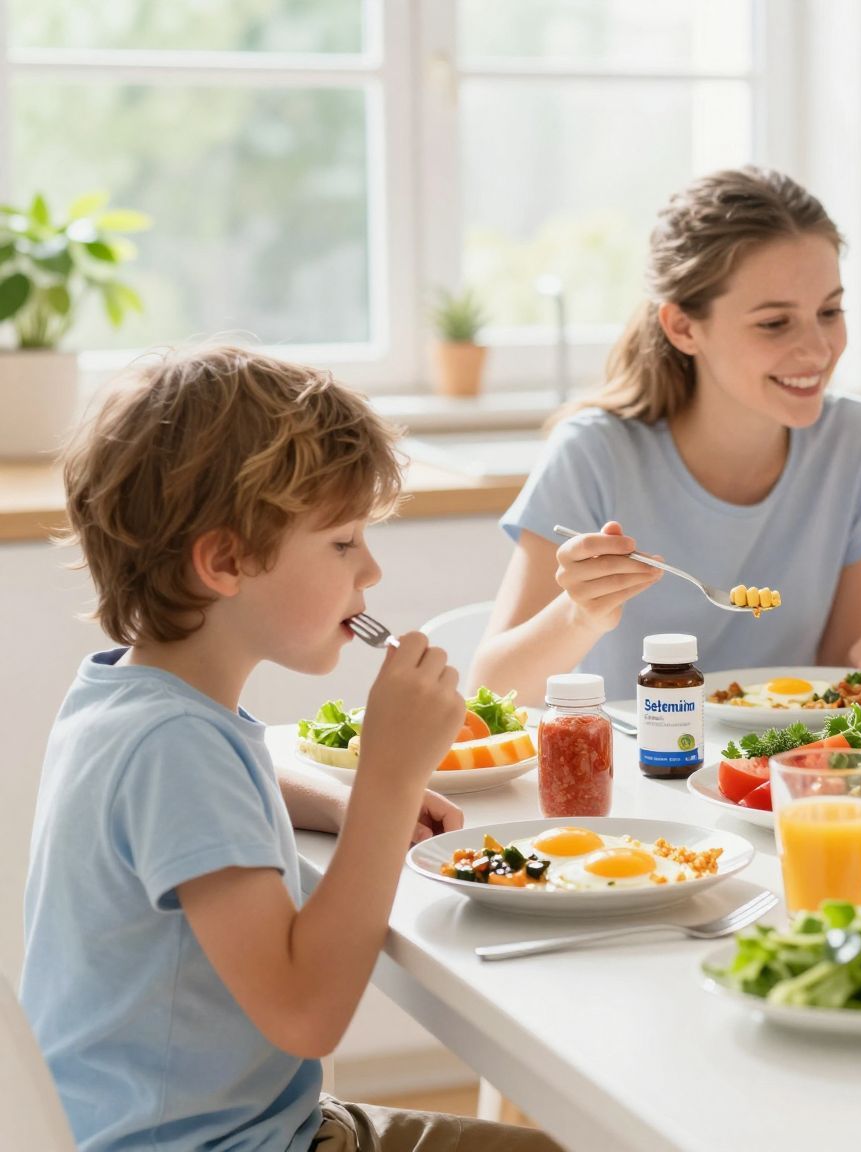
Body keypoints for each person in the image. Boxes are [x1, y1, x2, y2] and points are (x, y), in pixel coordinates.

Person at [22, 346, 560, 1151]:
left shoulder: (130, 702)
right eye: (343, 543)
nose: (370, 566)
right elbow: (310, 1015)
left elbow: (220, 792)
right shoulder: (176, 747)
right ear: (225, 561)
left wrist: (342, 804)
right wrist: (386, 777)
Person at [474, 167, 861, 704]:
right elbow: (489, 692)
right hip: (632, 772)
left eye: (829, 311)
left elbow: (835, 674)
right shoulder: (594, 454)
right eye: (774, 323)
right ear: (683, 327)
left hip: (783, 770)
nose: (818, 350)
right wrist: (578, 614)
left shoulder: (854, 439)